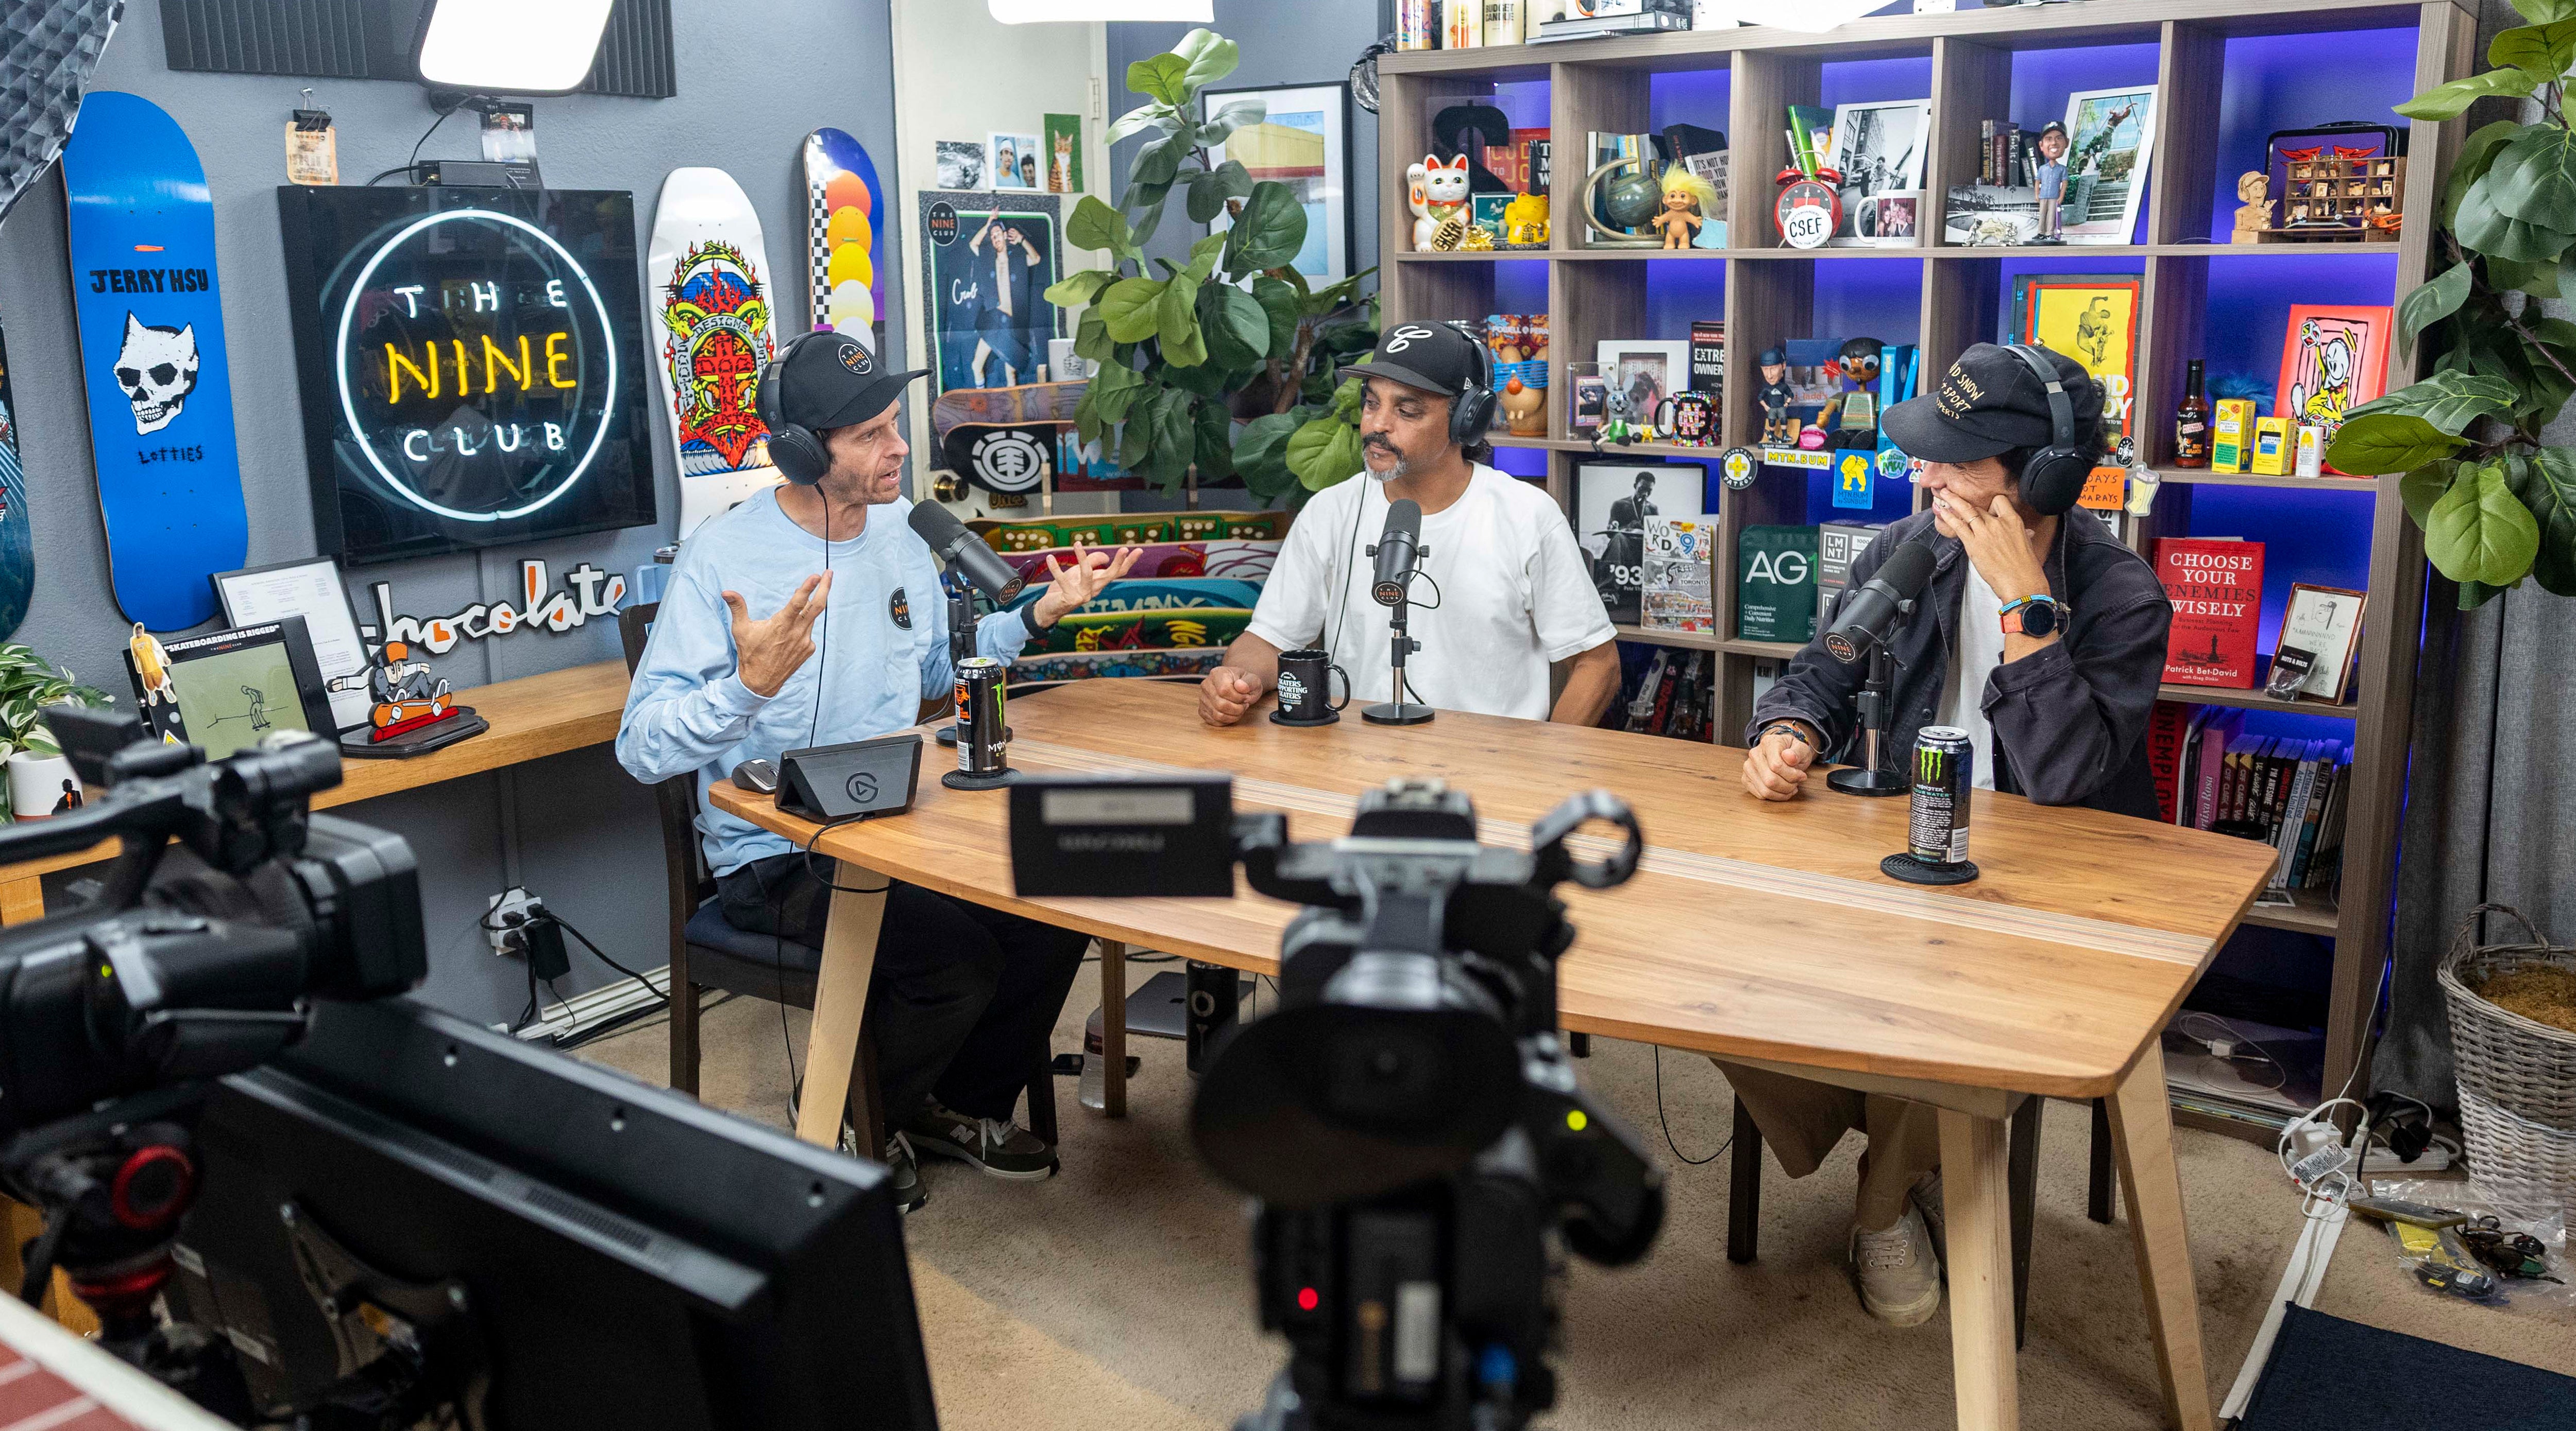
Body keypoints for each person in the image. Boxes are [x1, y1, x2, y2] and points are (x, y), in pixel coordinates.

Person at [619, 332, 1140, 1213]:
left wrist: (1036, 615)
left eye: (894, 425)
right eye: (869, 434)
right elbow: (641, 748)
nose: (899, 447)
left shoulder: (905, 534)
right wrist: (748, 686)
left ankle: (948, 1105)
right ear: (798, 450)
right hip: (777, 856)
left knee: (1053, 913)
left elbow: (935, 673)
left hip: (905, 826)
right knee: (956, 960)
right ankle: (857, 1117)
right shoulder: (725, 558)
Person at [1731, 342, 2173, 1326]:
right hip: (1906, 855)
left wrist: (2024, 605)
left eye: (1953, 458)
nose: (1923, 472)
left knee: (1930, 1010)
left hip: (2053, 896)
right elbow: (1823, 665)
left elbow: (2062, 779)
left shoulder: (2122, 595)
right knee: (1719, 971)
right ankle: (1918, 1137)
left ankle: (1882, 1204)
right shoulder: (1911, 546)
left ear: (2045, 476)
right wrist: (1788, 730)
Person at [1198, 321, 1619, 726]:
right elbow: (1268, 640)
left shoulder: (1527, 515)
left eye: (1407, 410)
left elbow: (1597, 665)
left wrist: (1549, 771)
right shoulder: (1331, 512)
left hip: (1490, 777)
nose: (1378, 424)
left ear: (1465, 420)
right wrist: (1238, 680)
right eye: (1372, 402)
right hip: (1357, 767)